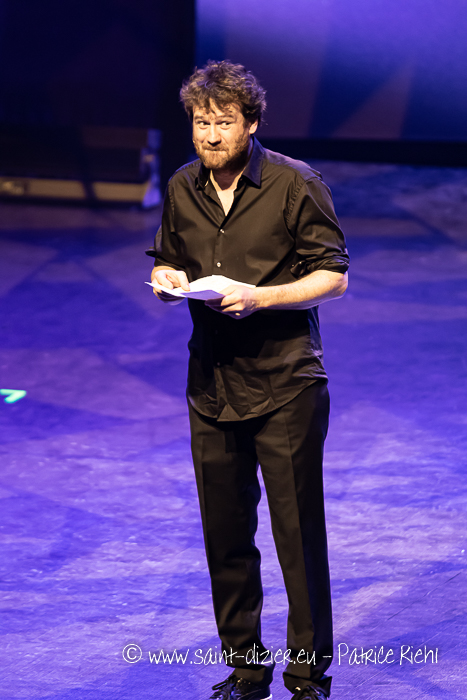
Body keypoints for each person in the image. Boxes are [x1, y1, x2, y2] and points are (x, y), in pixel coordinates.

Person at [146, 60, 349, 700]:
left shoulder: (295, 183)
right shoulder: (182, 186)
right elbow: (169, 259)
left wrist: (261, 296)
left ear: (251, 123)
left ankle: (308, 675)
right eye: (201, 122)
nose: (210, 135)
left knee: (297, 537)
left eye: (224, 122)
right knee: (225, 535)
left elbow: (334, 276)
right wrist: (167, 280)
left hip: (286, 382)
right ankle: (246, 668)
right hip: (211, 384)